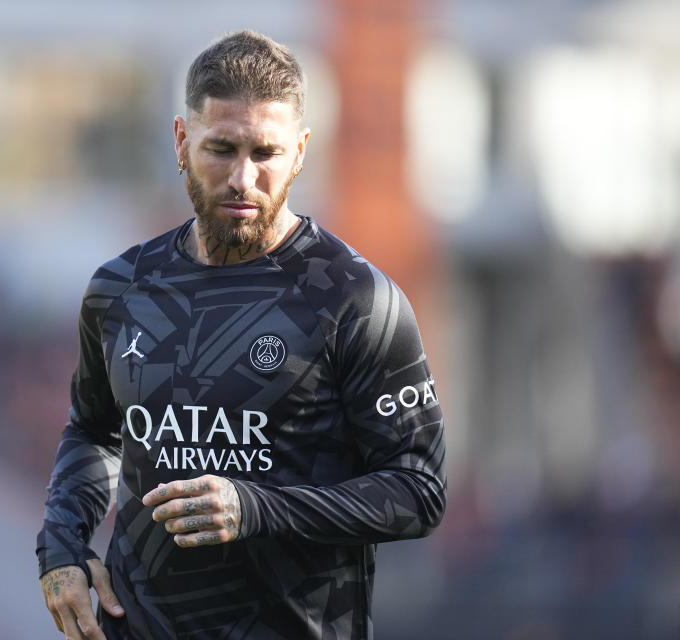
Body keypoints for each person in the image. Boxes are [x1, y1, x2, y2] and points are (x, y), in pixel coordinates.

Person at [36, 29, 446, 640]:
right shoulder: (121, 288)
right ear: (181, 141)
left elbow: (418, 489)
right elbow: (95, 429)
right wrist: (62, 547)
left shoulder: (354, 298)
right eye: (221, 148)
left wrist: (256, 507)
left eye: (265, 153)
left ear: (301, 152)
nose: (242, 178)